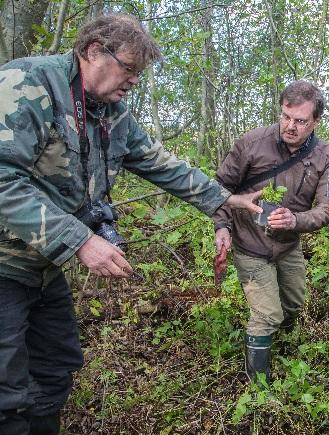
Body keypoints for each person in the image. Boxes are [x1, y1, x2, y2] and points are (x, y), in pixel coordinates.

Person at [0, 14, 261, 435]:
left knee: (55, 371)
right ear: (92, 51)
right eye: (130, 68)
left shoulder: (112, 114)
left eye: (140, 72)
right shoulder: (28, 85)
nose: (135, 80)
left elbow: (161, 164)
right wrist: (81, 240)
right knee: (6, 392)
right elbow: (3, 181)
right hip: (4, 268)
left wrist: (223, 198)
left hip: (42, 269)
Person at [213, 80, 329, 382]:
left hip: (288, 245)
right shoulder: (252, 143)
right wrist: (222, 225)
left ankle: (281, 347)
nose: (290, 126)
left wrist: (295, 221)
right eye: (285, 116)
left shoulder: (328, 158)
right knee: (268, 314)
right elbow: (219, 187)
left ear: (316, 121)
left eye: (300, 121)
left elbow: (328, 208)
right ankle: (259, 386)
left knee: (294, 304)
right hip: (250, 244)